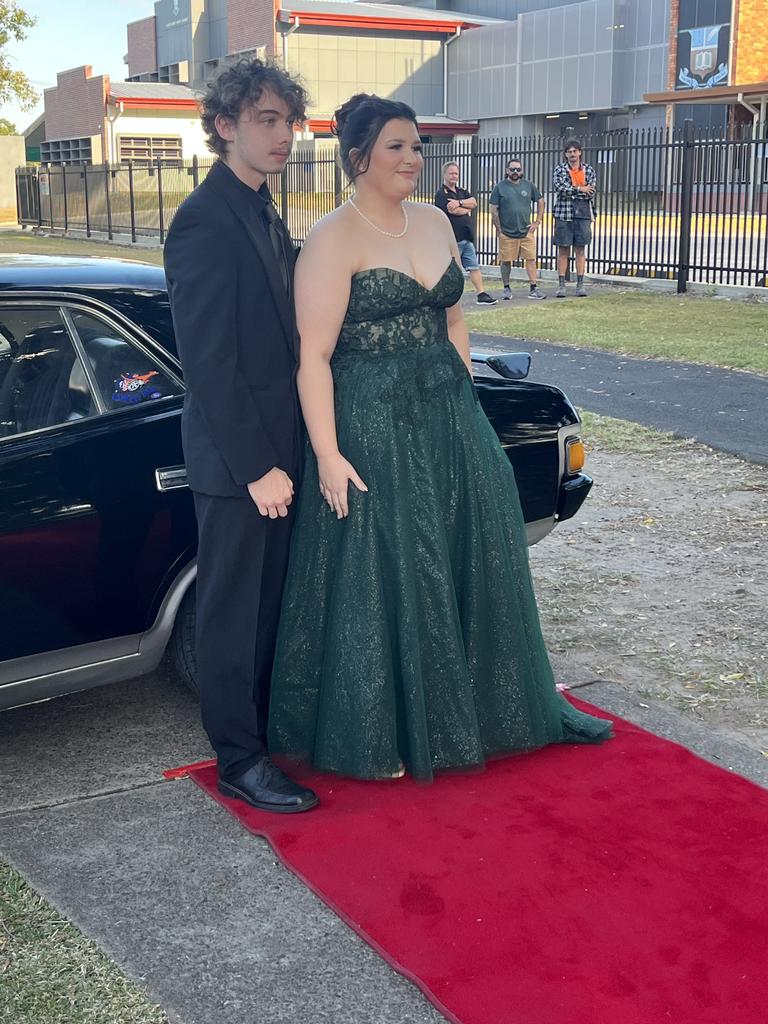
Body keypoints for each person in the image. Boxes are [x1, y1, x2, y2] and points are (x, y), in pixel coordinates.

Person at [267, 94, 612, 781]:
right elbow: (312, 357)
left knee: (467, 553)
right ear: (358, 155)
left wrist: (466, 404)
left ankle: (478, 713)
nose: (412, 159)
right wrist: (329, 455)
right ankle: (386, 730)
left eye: (418, 146)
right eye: (396, 146)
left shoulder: (433, 221)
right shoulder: (333, 238)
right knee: (390, 570)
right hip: (371, 424)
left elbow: (455, 324)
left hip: (450, 415)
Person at [163, 59, 318, 814]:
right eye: (267, 119)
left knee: (268, 608)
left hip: (280, 451)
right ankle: (238, 761)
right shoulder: (202, 218)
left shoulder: (263, 209)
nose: (284, 133)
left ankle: (260, 737)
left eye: (289, 120)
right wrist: (259, 466)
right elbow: (209, 363)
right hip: (238, 465)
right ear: (225, 125)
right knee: (230, 613)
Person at [434, 161, 497, 304]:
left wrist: (460, 203)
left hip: (466, 238)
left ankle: (481, 294)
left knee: (474, 267)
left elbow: (474, 202)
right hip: (452, 240)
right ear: (444, 174)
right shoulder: (441, 194)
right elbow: (452, 211)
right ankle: (445, 297)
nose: (454, 176)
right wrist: (464, 208)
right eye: (451, 173)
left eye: (456, 173)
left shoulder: (462, 192)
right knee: (449, 271)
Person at [489, 158, 546, 300]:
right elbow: (493, 209)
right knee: (506, 260)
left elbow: (540, 201)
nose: (515, 172)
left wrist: (537, 222)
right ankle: (506, 288)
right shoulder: (500, 187)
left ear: (522, 171)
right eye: (512, 169)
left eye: (518, 169)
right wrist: (499, 229)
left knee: (531, 259)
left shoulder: (529, 186)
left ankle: (534, 288)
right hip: (507, 232)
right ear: (506, 171)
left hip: (526, 231)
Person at [552, 138, 596, 298]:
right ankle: (561, 285)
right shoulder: (560, 169)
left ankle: (580, 284)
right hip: (564, 214)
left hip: (583, 214)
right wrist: (580, 189)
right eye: (569, 151)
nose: (572, 154)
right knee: (563, 248)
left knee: (580, 249)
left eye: (574, 151)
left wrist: (578, 190)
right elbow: (560, 188)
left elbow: (591, 191)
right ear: (565, 154)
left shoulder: (589, 170)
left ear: (580, 152)